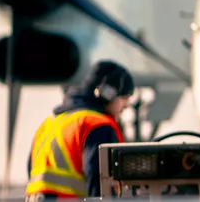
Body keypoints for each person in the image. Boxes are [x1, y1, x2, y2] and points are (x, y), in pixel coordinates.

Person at [24, 60, 135, 200]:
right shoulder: (97, 125)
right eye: (125, 98)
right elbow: (100, 182)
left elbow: (31, 171)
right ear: (108, 93)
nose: (126, 106)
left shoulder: (49, 124)